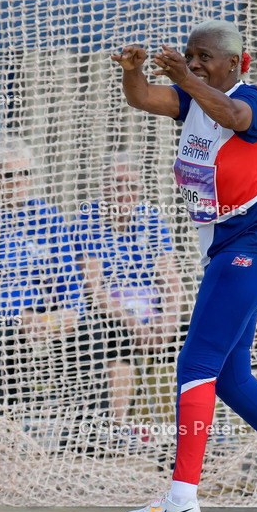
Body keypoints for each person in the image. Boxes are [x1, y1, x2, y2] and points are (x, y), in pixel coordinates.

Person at [113, 20, 257, 512]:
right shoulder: (192, 99)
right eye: (188, 57)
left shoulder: (253, 98)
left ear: (238, 63)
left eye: (204, 58)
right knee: (231, 378)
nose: (193, 65)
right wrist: (132, 72)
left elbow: (236, 118)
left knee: (195, 366)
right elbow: (143, 98)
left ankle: (181, 500)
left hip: (253, 248)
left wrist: (188, 81)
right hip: (226, 251)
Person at [0, 135, 107, 413]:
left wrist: (70, 311)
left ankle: (86, 429)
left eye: (25, 173)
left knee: (89, 332)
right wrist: (19, 316)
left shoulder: (47, 216)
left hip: (45, 316)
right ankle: (5, 422)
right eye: (9, 174)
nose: (19, 180)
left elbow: (68, 275)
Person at [70, 152, 185, 424]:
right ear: (104, 187)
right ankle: (118, 429)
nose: (124, 192)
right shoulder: (87, 222)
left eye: (131, 185)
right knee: (118, 341)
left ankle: (199, 428)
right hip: (113, 316)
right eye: (117, 184)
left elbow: (170, 278)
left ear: (140, 189)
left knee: (200, 339)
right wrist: (134, 324)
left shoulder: (152, 220)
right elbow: (95, 291)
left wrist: (168, 320)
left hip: (153, 318)